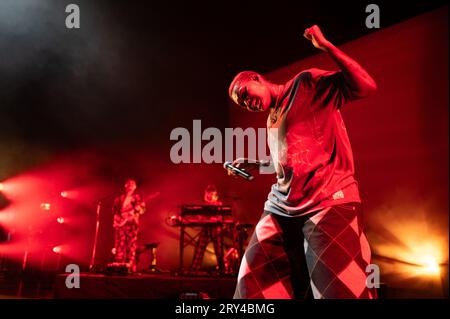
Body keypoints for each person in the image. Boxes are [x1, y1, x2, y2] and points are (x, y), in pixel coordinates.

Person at [227, 25, 378, 299]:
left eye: (244, 93)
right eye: (241, 103)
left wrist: (327, 47)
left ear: (257, 78)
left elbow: (366, 86)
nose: (245, 102)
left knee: (338, 292)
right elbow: (290, 164)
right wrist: (256, 164)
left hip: (328, 200)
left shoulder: (305, 83)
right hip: (281, 207)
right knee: (251, 289)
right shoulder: (272, 118)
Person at [112, 178, 146, 272]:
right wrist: (117, 219)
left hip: (132, 224)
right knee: (120, 244)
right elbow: (114, 210)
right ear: (125, 186)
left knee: (131, 244)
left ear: (135, 187)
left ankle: (130, 266)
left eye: (132, 184)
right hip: (120, 224)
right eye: (128, 183)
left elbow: (142, 210)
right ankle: (118, 265)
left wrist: (138, 209)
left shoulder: (138, 197)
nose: (130, 185)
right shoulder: (119, 197)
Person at [189, 184, 225, 274]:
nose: (209, 196)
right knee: (199, 249)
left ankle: (222, 270)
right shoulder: (203, 205)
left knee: (219, 251)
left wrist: (213, 219)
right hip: (206, 228)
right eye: (208, 194)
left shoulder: (218, 204)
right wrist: (200, 216)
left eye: (211, 194)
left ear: (215, 194)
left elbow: (220, 218)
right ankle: (194, 269)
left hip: (216, 229)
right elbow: (200, 217)